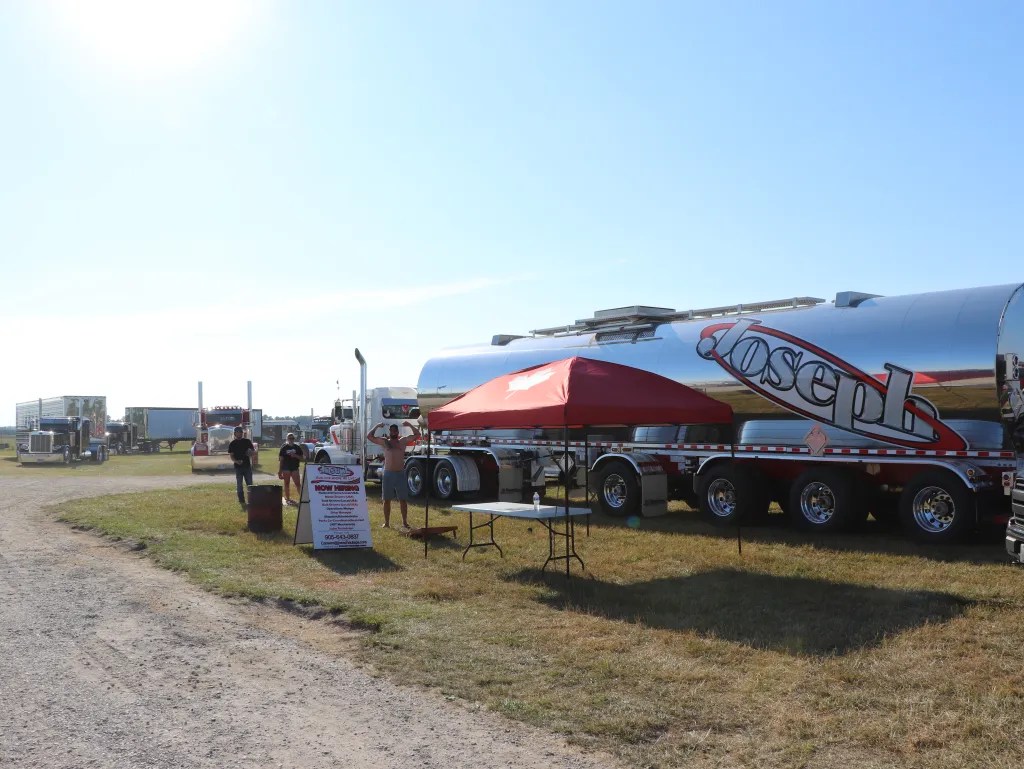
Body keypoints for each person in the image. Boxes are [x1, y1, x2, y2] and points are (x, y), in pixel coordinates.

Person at [367, 420, 420, 528]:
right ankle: (386, 523)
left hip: (400, 473)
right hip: (388, 474)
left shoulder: (403, 441)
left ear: (397, 432)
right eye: (392, 431)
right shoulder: (384, 441)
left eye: (395, 431)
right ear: (390, 431)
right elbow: (369, 436)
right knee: (386, 500)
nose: (394, 432)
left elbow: (417, 435)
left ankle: (404, 522)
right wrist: (377, 425)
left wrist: (409, 425)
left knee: (403, 500)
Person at [228, 426, 256, 510]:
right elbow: (231, 456)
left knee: (250, 484)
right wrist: (236, 461)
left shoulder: (247, 441)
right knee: (239, 485)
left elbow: (253, 452)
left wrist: (250, 453)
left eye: (240, 432)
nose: (239, 433)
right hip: (238, 467)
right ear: (235, 434)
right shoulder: (232, 443)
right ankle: (241, 500)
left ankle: (252, 500)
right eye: (237, 432)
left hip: (247, 466)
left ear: (242, 433)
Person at [278, 432, 304, 506]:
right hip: (286, 468)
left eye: (292, 438)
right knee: (286, 484)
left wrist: (295, 455)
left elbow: (302, 458)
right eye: (289, 438)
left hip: (295, 468)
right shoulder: (284, 448)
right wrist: (280, 471)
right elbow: (281, 460)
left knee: (298, 484)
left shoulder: (297, 447)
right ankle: (288, 499)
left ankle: (302, 499)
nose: (291, 439)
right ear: (287, 439)